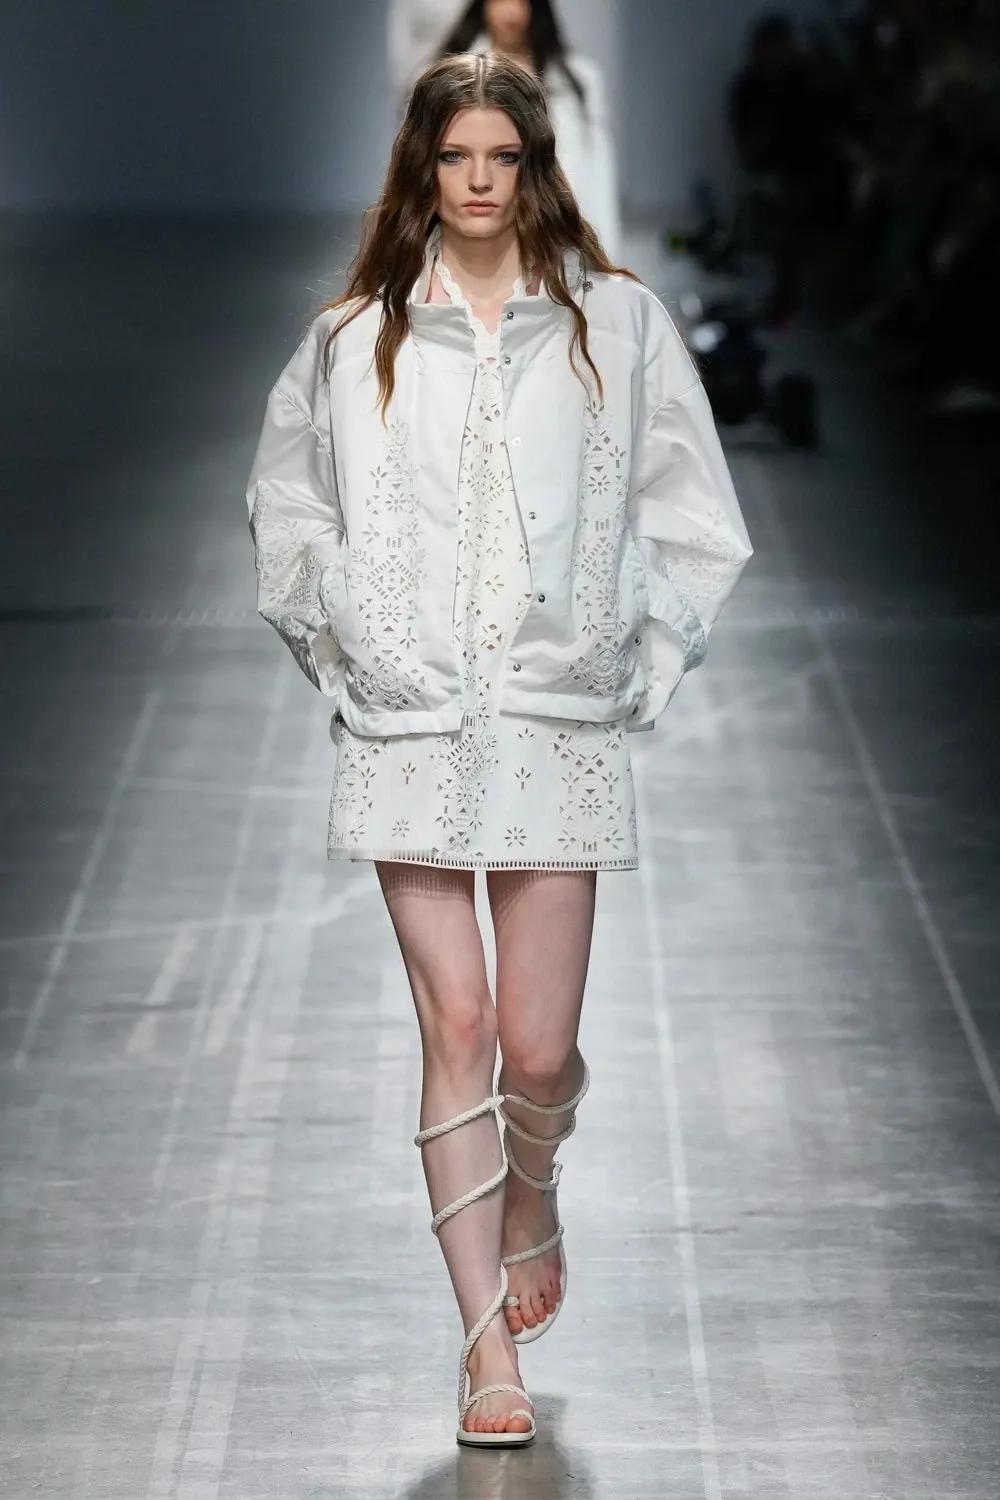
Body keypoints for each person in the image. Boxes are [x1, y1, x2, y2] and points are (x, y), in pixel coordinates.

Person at [244, 51, 752, 1447]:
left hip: (552, 719)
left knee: (535, 1049)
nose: (477, 182)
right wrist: (348, 640)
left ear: (533, 169)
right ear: (423, 167)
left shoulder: (617, 327)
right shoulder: (353, 338)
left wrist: (628, 657)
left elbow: (697, 515)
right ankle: (485, 1351)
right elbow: (287, 507)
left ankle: (534, 1185)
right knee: (455, 1026)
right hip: (407, 719)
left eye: (501, 158)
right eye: (455, 157)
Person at [440, 0, 623, 258]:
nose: (512, 13)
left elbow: (596, 173)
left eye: (523, 1)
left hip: (558, 235)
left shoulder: (579, 80)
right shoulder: (445, 80)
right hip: (471, 238)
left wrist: (603, 252)